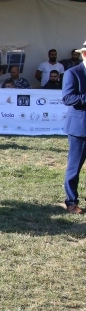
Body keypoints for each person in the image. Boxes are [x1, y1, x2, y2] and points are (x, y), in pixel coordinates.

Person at [62, 44, 86, 214]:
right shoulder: (73, 73)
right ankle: (71, 202)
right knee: (74, 167)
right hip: (80, 127)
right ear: (84, 54)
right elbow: (68, 98)